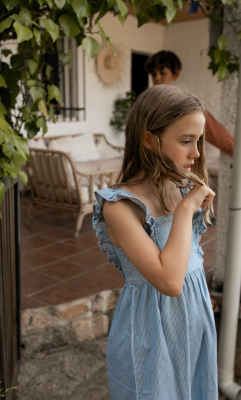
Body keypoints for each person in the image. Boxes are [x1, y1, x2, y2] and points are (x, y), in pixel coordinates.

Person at [93, 85, 217, 399]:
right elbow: (170, 280)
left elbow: (187, 266)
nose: (196, 153)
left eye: (198, 141)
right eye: (186, 141)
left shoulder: (178, 187)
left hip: (193, 323)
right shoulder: (120, 207)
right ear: (149, 139)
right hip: (151, 333)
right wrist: (187, 209)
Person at [144, 50, 234, 157]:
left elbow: (213, 131)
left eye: (162, 73)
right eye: (154, 74)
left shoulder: (184, 102)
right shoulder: (149, 102)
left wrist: (232, 148)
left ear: (175, 73)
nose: (157, 78)